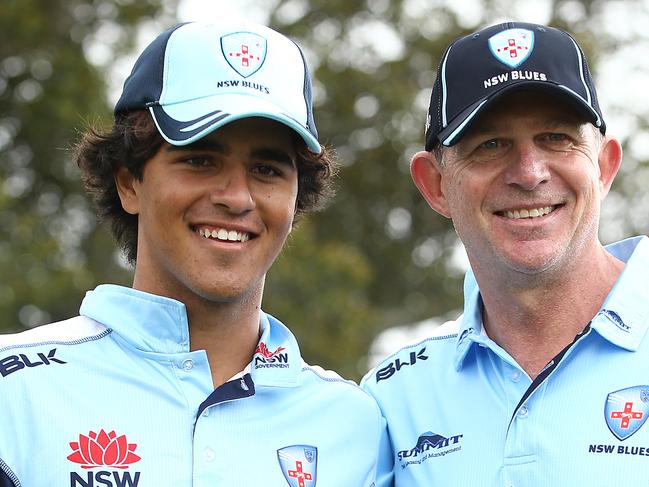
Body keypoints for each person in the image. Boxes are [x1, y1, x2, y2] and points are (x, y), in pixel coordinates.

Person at [0, 21, 384, 486]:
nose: (237, 197)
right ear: (128, 181)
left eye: (266, 169)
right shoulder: (14, 391)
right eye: (201, 159)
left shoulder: (358, 426)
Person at [362, 21, 649, 486]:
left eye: (556, 137)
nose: (529, 173)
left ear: (603, 166)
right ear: (435, 185)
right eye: (491, 144)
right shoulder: (394, 399)